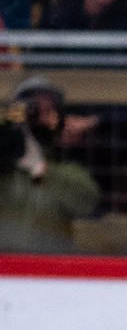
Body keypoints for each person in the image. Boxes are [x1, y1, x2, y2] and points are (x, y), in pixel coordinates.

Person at [0, 77, 99, 251]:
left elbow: (87, 204)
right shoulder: (5, 167)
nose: (41, 117)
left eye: (49, 110)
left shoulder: (69, 171)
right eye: (33, 109)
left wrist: (42, 169)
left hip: (49, 263)